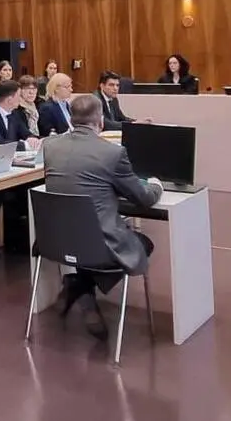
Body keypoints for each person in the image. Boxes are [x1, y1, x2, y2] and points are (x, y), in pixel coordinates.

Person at [43, 95, 162, 338]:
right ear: (100, 120)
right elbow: (144, 199)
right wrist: (156, 185)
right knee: (144, 243)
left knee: (86, 239)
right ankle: (82, 286)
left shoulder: (50, 146)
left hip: (55, 240)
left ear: (72, 119)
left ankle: (80, 285)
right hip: (99, 244)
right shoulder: (112, 153)